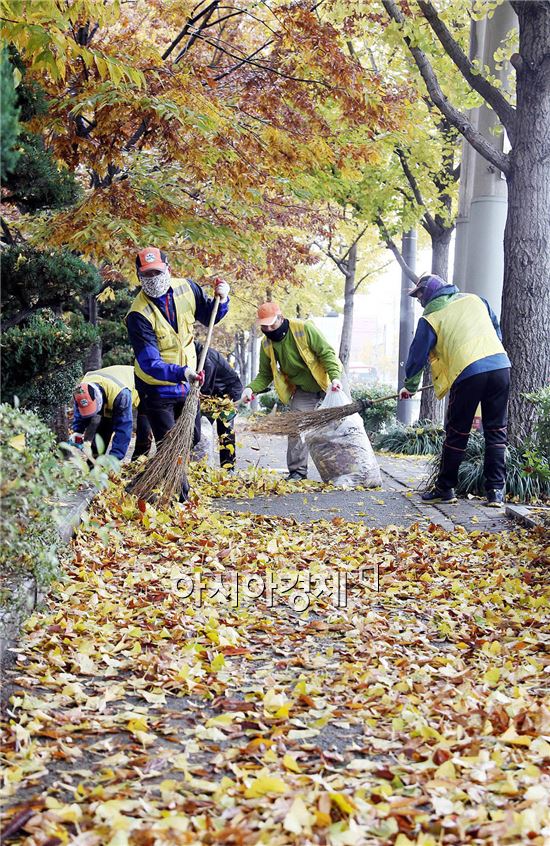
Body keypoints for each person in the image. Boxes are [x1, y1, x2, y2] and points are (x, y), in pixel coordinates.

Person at [399, 273, 511, 507]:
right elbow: (495, 329)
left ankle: (445, 489)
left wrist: (409, 387)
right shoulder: (476, 300)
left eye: (420, 295)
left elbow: (416, 358)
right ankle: (495, 493)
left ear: (428, 294)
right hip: (500, 366)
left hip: (469, 372)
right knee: (496, 431)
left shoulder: (431, 317)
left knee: (457, 431)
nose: (419, 300)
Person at [125, 247, 230, 496]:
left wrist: (222, 299)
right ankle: (180, 499)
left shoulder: (187, 288)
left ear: (168, 269)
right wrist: (182, 372)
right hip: (156, 388)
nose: (152, 279)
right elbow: (150, 363)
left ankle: (139, 485)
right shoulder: (138, 315)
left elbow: (210, 316)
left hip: (187, 384)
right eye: (146, 274)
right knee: (171, 444)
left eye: (157, 272)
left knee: (189, 438)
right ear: (139, 276)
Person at [241, 301, 343, 480]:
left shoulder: (303, 329)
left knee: (341, 428)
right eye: (264, 325)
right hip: (304, 390)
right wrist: (250, 389)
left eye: (272, 323)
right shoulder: (266, 345)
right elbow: (265, 375)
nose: (269, 328)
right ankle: (297, 472)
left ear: (281, 318)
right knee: (296, 428)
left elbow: (327, 353)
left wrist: (335, 378)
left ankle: (344, 470)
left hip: (329, 383)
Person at [71, 365, 150, 461]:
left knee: (144, 429)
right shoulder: (82, 390)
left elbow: (123, 429)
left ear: (100, 400)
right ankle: (93, 464)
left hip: (143, 386)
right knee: (105, 427)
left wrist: (114, 460)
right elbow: (80, 412)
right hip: (111, 386)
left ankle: (138, 464)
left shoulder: (121, 395)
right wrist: (78, 432)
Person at [195, 342, 243, 471]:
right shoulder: (198, 354)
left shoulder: (206, 358)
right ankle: (201, 464)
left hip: (227, 393)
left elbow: (205, 387)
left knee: (225, 432)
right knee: (202, 430)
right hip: (213, 394)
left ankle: (229, 468)